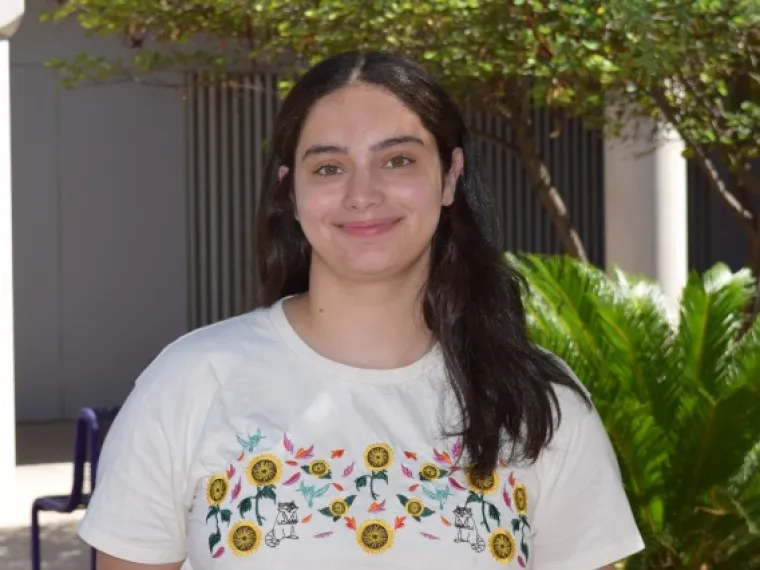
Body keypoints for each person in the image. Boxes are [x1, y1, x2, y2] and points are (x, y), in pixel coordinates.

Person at [78, 50, 644, 569]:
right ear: (290, 190)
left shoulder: (541, 403)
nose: (362, 193)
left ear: (449, 177)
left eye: (397, 160)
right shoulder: (191, 381)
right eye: (328, 167)